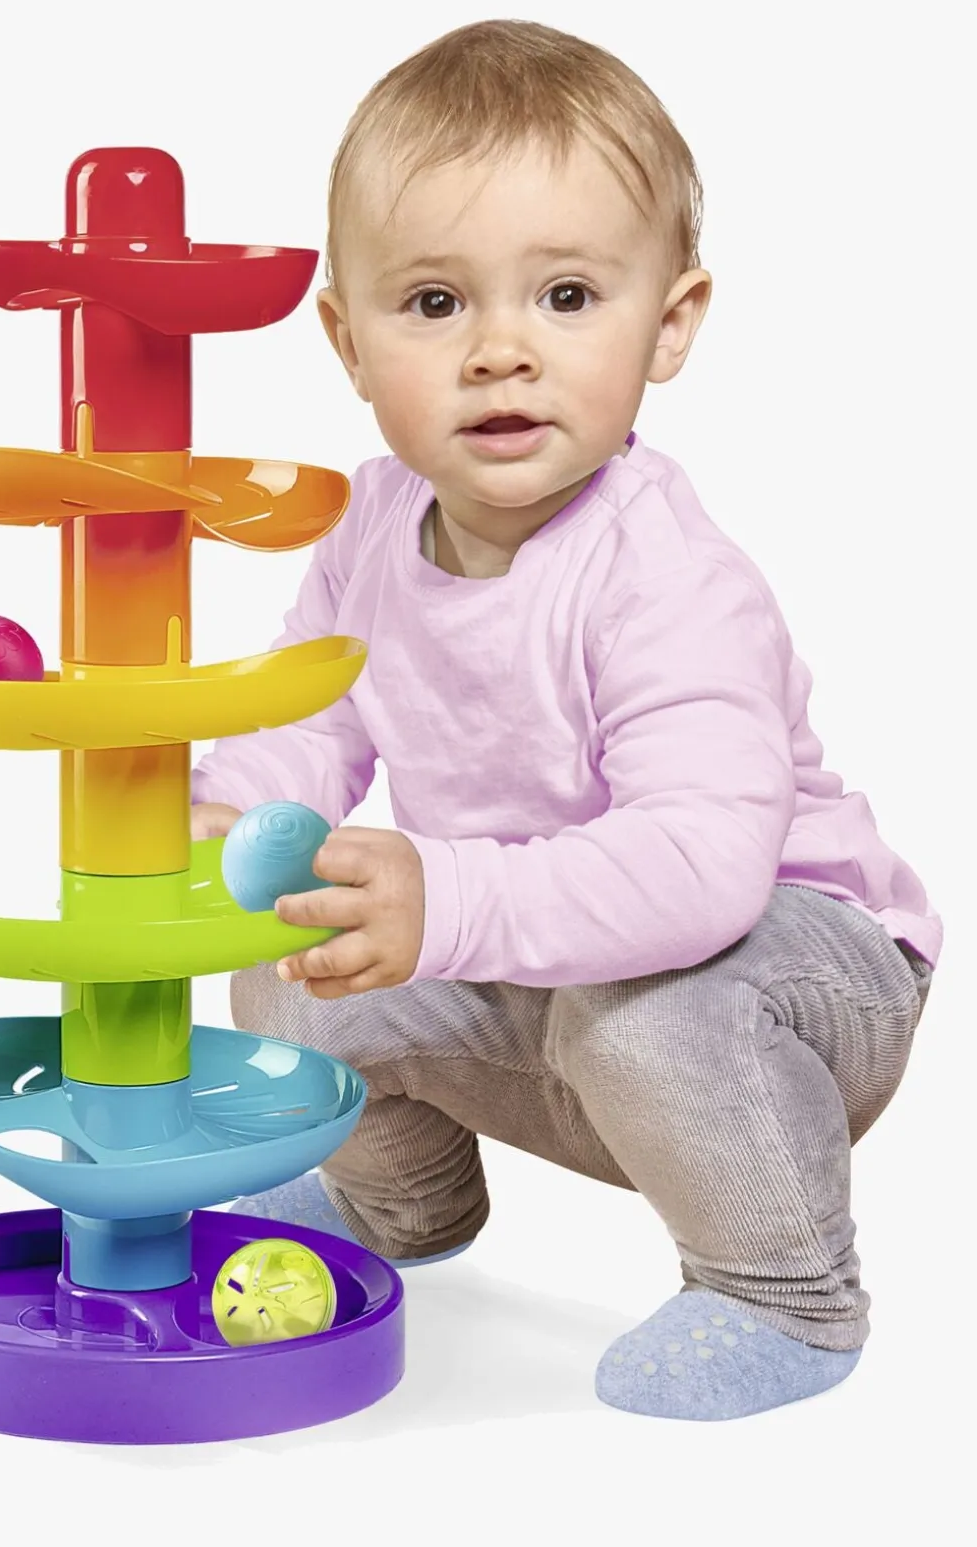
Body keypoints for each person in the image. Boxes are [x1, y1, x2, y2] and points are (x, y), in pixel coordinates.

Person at [190, 19, 939, 1421]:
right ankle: (401, 1202)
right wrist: (225, 826)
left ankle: (783, 1287)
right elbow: (309, 716)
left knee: (648, 1008)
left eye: (568, 295)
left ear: (671, 323)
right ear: (348, 341)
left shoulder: (669, 577)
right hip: (541, 976)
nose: (499, 352)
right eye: (434, 303)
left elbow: (701, 874)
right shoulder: (370, 528)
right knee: (298, 963)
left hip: (783, 982)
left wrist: (451, 899)